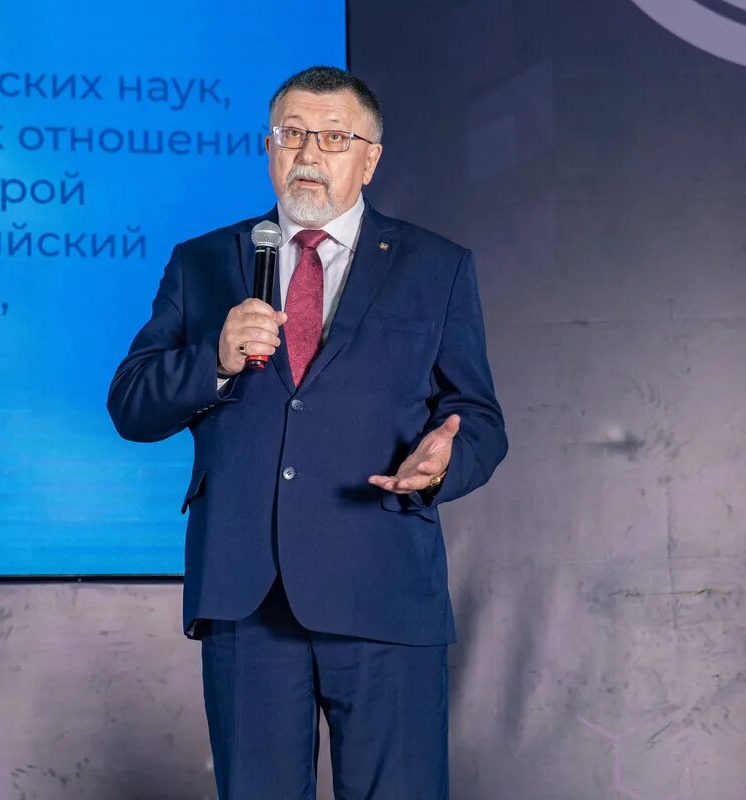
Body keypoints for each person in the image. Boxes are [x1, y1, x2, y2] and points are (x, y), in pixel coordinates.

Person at [108, 66, 506, 799]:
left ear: (370, 158)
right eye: (291, 134)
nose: (308, 154)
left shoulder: (437, 266)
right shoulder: (204, 262)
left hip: (384, 591)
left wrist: (443, 466)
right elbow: (131, 404)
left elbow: (478, 418)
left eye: (332, 137)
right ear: (269, 147)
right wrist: (214, 360)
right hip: (246, 595)